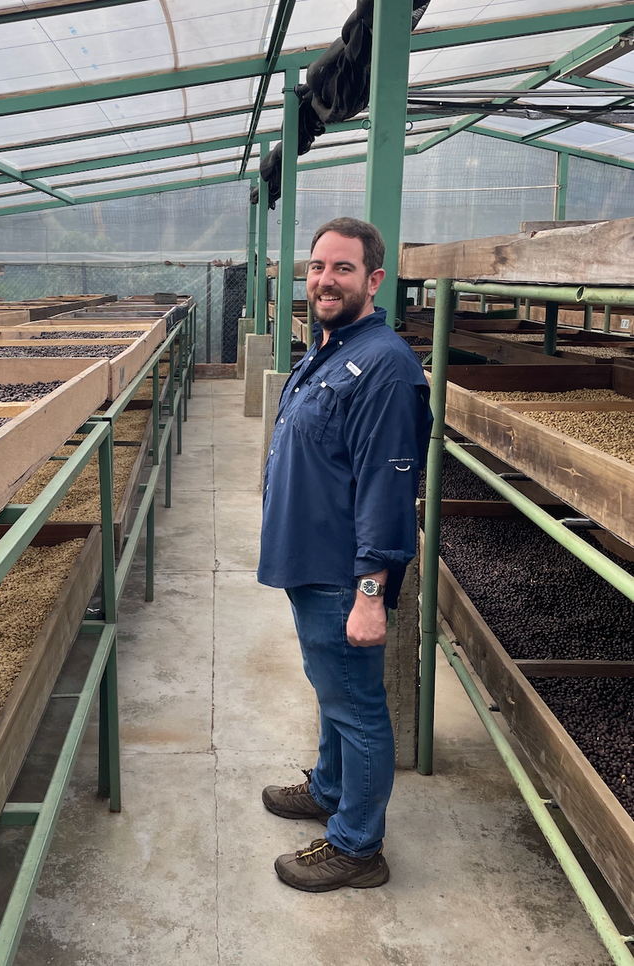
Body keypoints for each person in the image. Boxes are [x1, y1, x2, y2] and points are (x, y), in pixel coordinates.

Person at [257, 216, 432, 893]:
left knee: (357, 705)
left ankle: (358, 845)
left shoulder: (384, 367)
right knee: (333, 691)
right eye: (318, 267)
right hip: (311, 561)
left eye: (343, 269)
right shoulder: (329, 348)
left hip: (341, 573)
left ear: (375, 279)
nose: (325, 280)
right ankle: (330, 787)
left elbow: (389, 487)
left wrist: (369, 590)